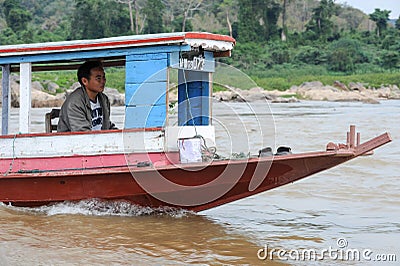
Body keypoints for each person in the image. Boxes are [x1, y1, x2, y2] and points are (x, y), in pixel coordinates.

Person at [57, 60, 117, 132]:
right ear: (84, 81)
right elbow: (82, 133)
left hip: (99, 140)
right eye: (98, 78)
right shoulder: (75, 103)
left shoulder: (104, 99)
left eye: (103, 77)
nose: (103, 81)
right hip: (75, 142)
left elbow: (107, 125)